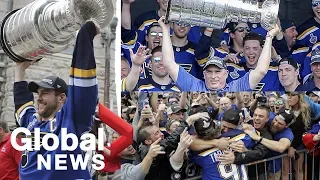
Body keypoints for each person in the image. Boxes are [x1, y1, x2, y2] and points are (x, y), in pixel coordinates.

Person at [13, 21, 100, 180]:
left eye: (45, 92)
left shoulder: (71, 119)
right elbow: (22, 105)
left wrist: (84, 37)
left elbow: (83, 90)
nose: (39, 98)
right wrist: (20, 69)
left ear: (62, 98)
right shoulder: (32, 121)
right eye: (38, 93)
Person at [158, 16, 281, 91]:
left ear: (226, 73)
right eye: (209, 72)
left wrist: (269, 37)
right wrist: (165, 29)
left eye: (217, 71)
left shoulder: (235, 87)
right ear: (203, 74)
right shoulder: (194, 86)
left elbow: (261, 71)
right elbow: (169, 64)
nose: (213, 76)